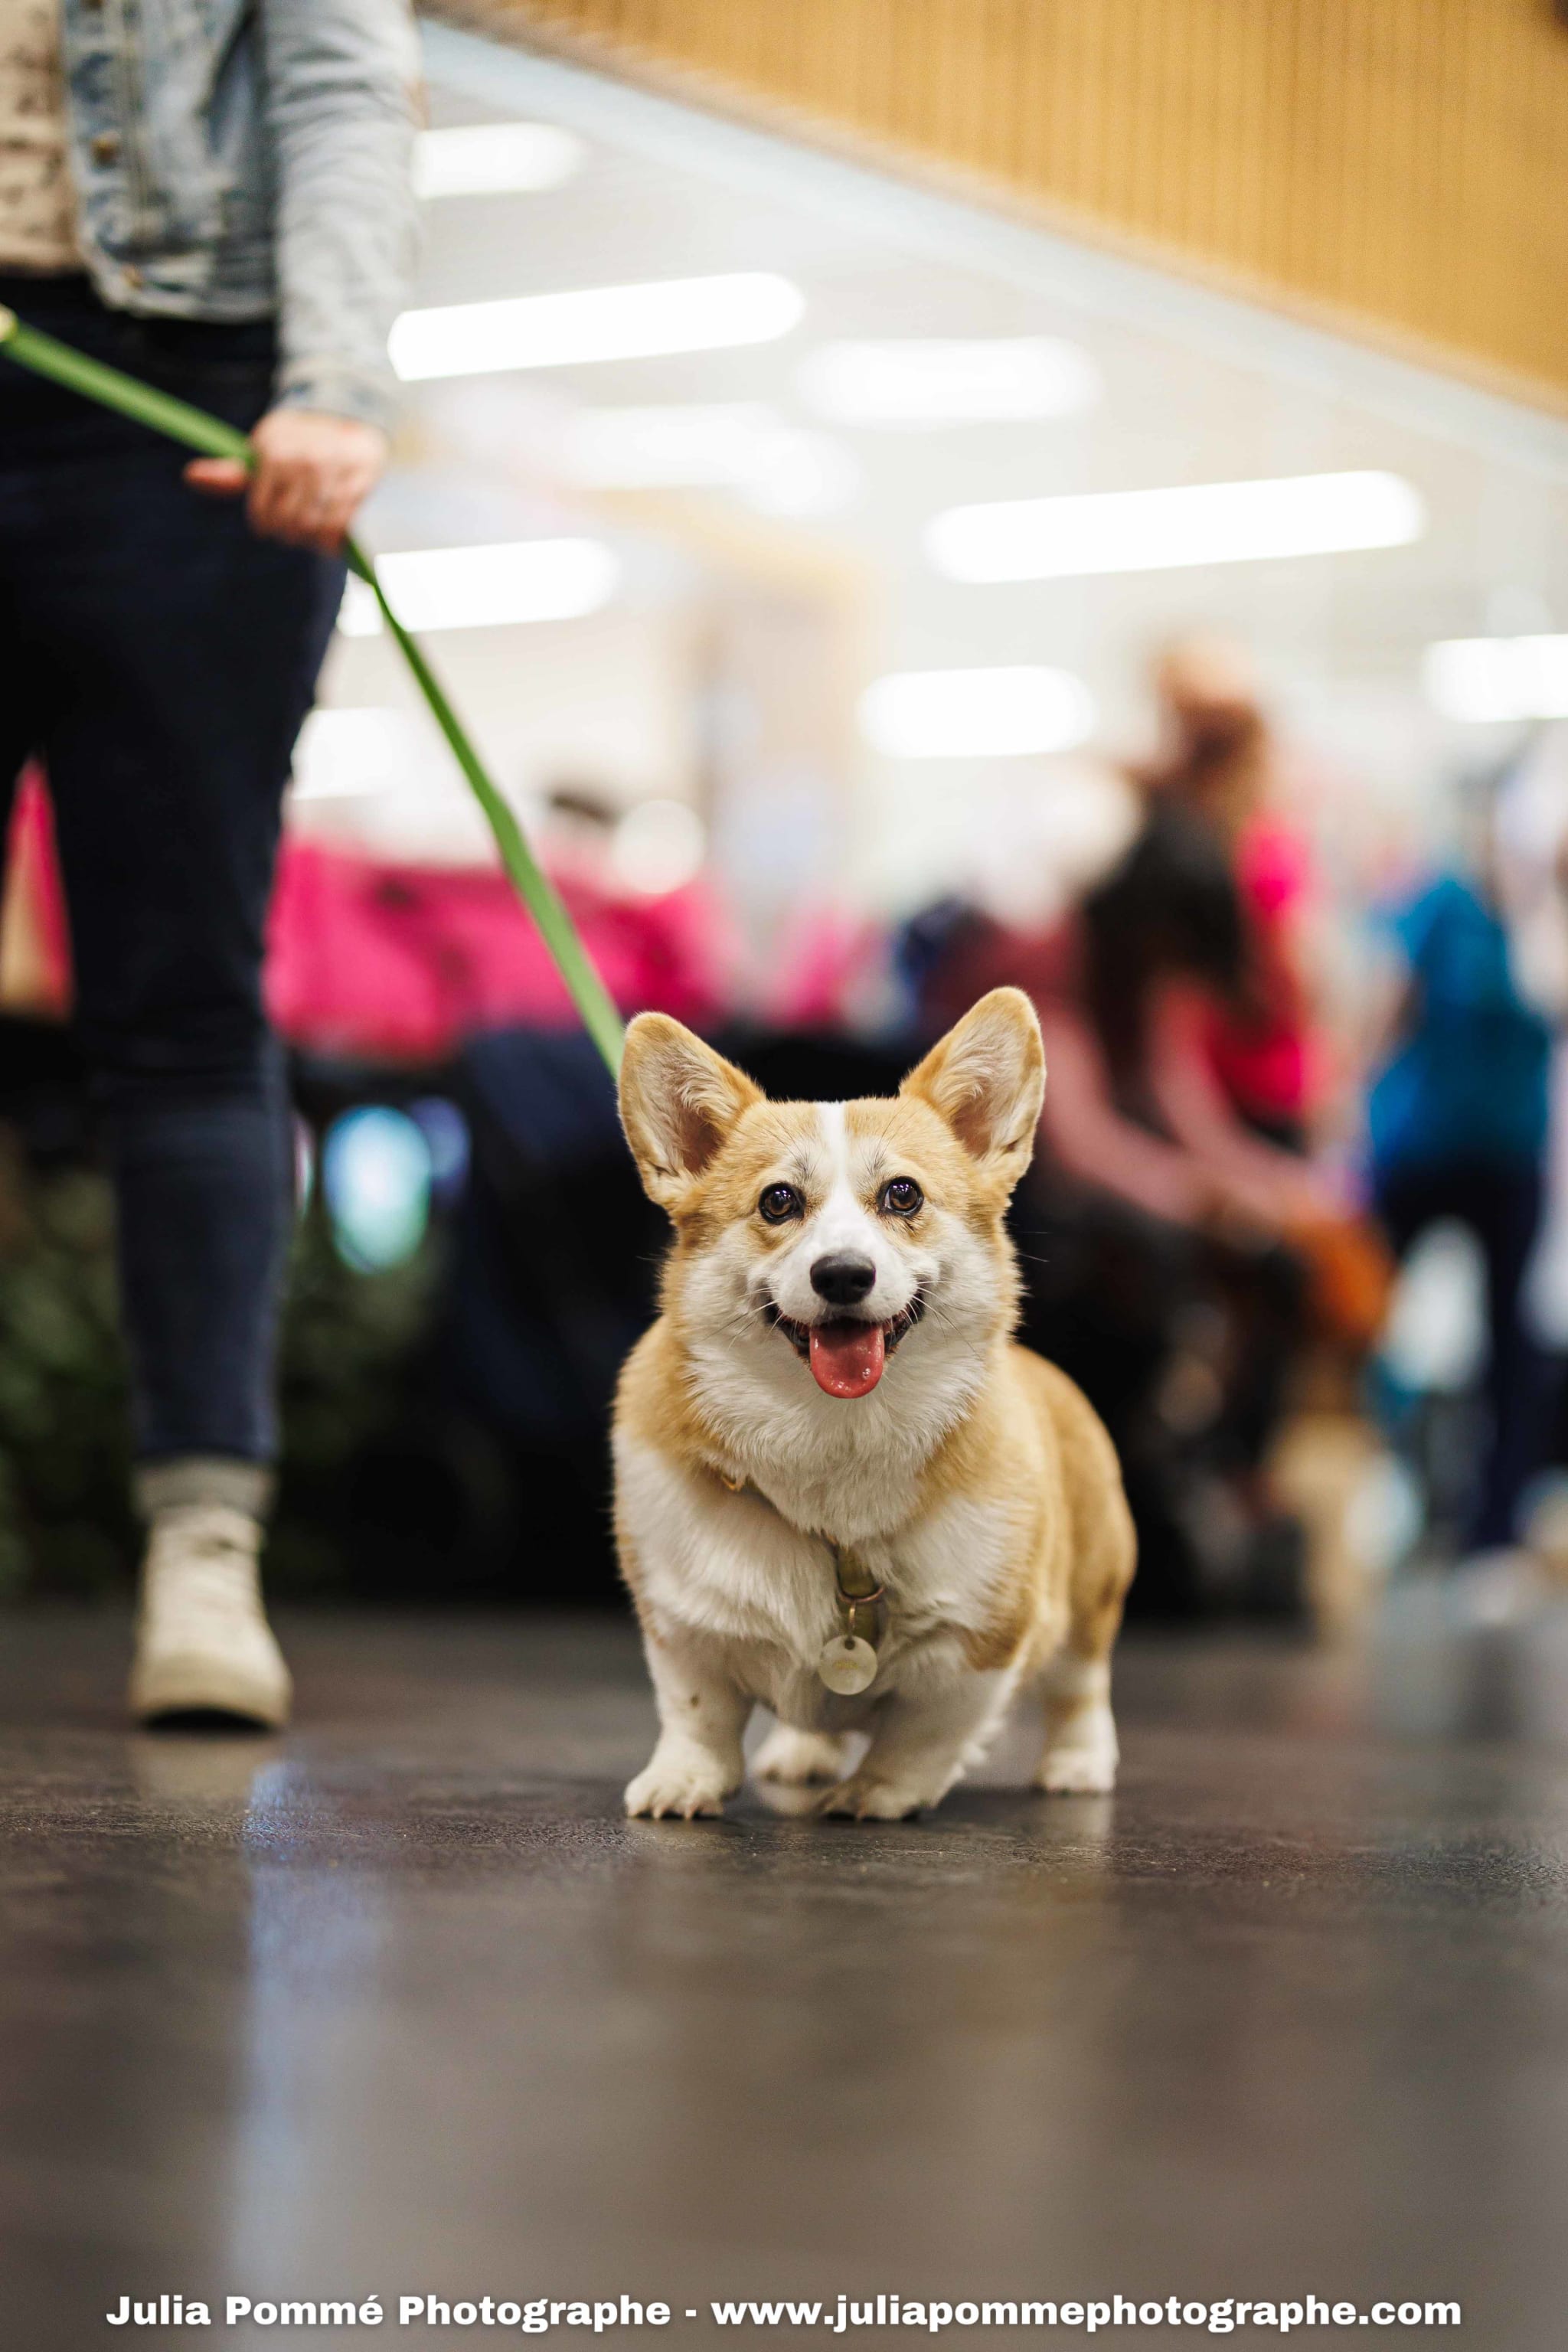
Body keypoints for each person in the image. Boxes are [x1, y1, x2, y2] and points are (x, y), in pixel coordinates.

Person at [0, 0, 419, 1723]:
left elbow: (336, 76)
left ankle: (203, 1550)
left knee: (179, 1004)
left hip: (179, 393)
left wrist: (329, 382)